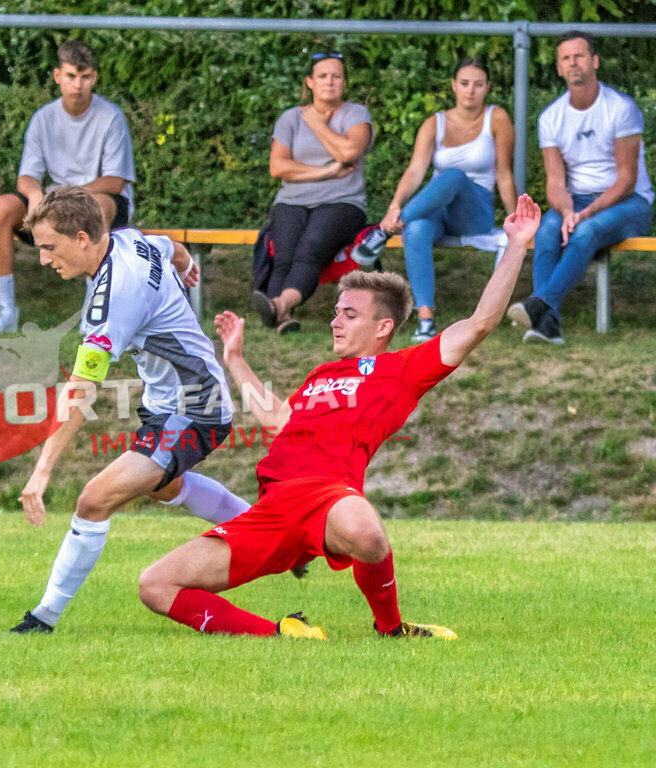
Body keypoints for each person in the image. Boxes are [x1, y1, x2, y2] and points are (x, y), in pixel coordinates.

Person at [138, 194, 542, 640]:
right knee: (155, 585)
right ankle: (282, 633)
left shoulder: (403, 369)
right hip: (273, 508)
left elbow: (481, 322)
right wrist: (235, 359)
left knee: (366, 531)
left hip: (330, 496)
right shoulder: (322, 374)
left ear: (383, 327)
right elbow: (277, 420)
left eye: (349, 314)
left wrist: (518, 243)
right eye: (335, 312)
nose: (335, 321)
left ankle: (391, 629)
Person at [9, 187, 249, 634]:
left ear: (82, 238)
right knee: (162, 486)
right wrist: (187, 265)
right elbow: (170, 248)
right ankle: (265, 529)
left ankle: (42, 619)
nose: (43, 259)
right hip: (170, 403)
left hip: (194, 406)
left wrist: (42, 470)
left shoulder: (112, 299)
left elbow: (80, 391)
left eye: (49, 247)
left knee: (94, 500)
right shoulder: (130, 238)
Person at [0, 39, 135, 335]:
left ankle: (96, 304)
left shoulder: (111, 116)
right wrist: (36, 195)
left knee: (97, 205)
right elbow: (27, 177)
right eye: (72, 76)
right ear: (57, 76)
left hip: (100, 202)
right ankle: (5, 308)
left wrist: (66, 198)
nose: (78, 85)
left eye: (85, 77)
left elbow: (115, 181)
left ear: (94, 78)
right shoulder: (42, 118)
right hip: (53, 204)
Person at [357, 57, 517, 342]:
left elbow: (504, 173)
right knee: (416, 228)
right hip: (439, 209)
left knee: (454, 176)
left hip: (474, 211)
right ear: (454, 86)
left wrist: (517, 220)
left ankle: (382, 233)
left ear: (487, 88)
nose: (470, 90)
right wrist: (394, 205)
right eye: (465, 83)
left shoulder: (498, 118)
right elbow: (415, 171)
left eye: (478, 84)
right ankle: (426, 320)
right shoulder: (435, 123)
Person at [508, 31, 653, 345]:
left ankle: (541, 305)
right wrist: (568, 210)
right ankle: (548, 327)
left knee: (586, 231)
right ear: (559, 68)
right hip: (577, 202)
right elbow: (556, 183)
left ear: (594, 61)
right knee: (546, 230)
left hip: (630, 203)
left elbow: (627, 180)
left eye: (580, 56)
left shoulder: (621, 109)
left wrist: (586, 213)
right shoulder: (551, 117)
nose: (573, 64)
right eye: (566, 58)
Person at [253, 51, 373, 336]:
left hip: (342, 203)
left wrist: (318, 124)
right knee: (283, 255)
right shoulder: (290, 118)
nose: (329, 82)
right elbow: (278, 166)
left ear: (344, 82)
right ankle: (282, 317)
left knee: (310, 249)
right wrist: (328, 171)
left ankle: (279, 304)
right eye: (322, 76)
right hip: (291, 201)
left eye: (336, 76)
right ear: (309, 81)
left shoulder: (356, 114)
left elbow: (349, 151)